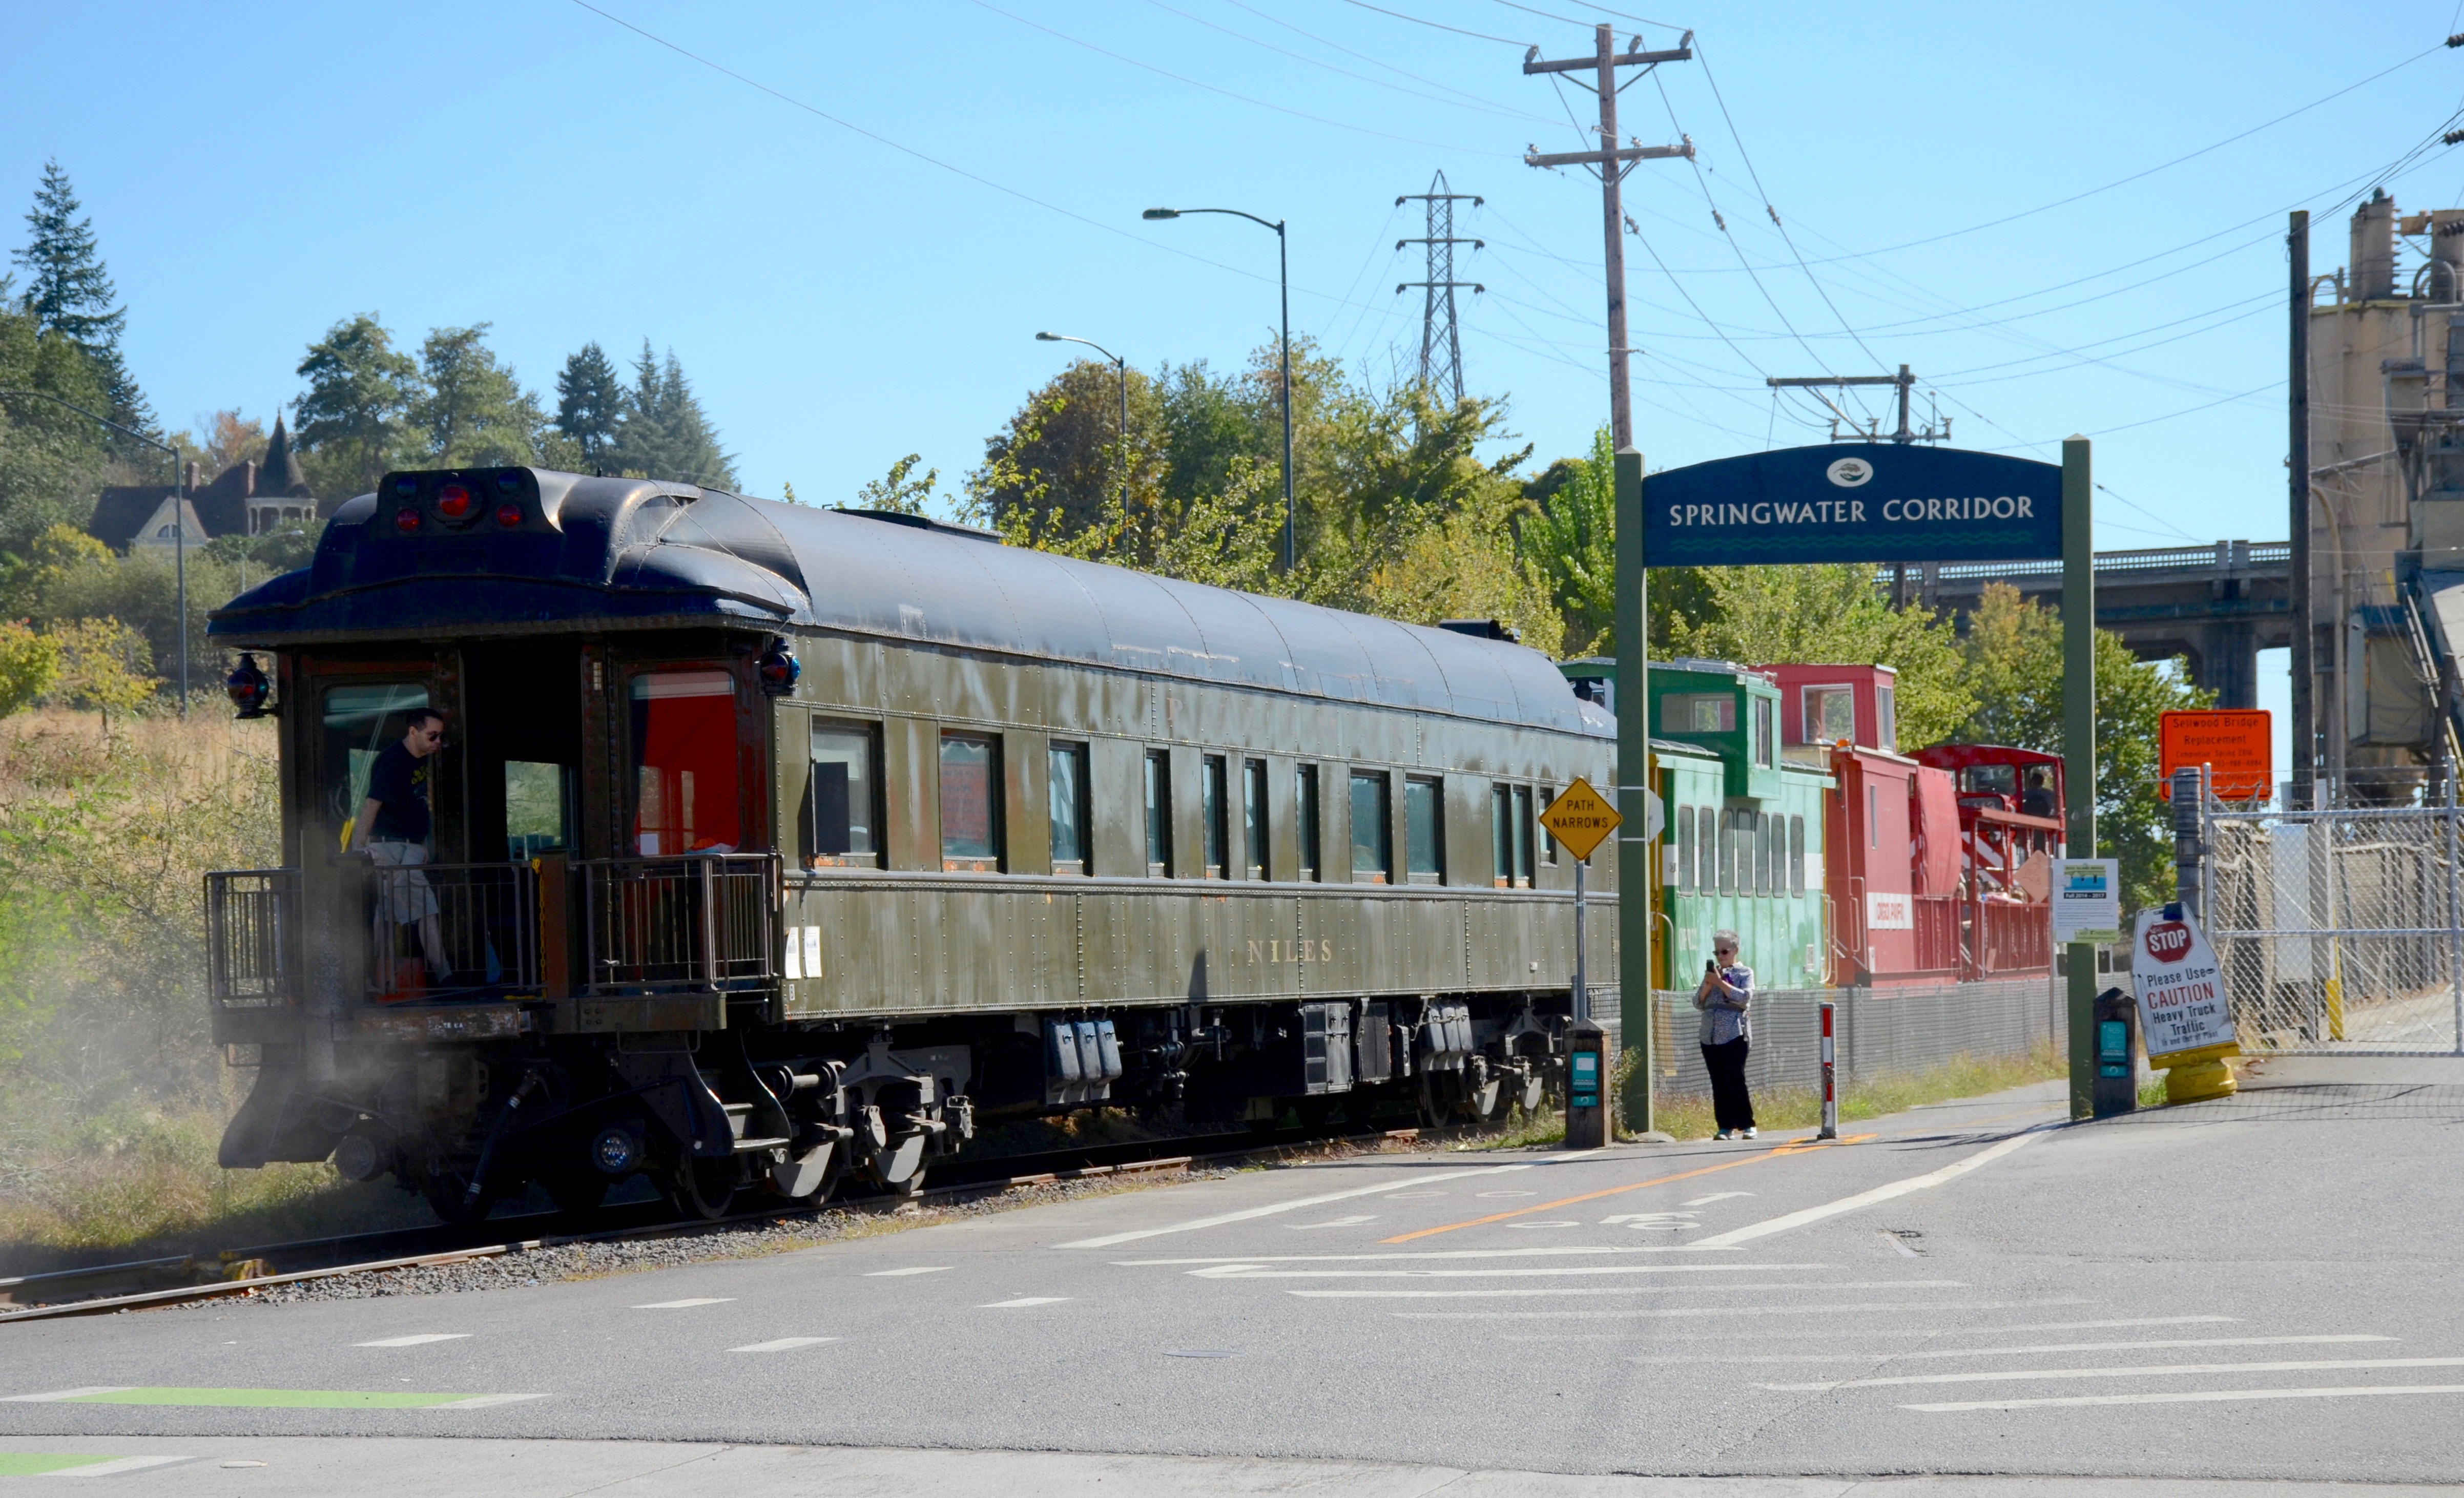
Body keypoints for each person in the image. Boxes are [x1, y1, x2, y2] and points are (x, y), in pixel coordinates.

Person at [350, 708, 449, 982]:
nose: (438, 742)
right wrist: (359, 847)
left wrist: (422, 842)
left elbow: (419, 804)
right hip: (391, 848)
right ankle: (445, 975)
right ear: (413, 732)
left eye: (441, 736)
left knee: (387, 913)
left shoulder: (421, 760)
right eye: (433, 736)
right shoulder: (393, 760)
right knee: (426, 908)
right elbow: (372, 803)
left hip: (410, 847)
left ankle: (377, 977)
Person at [1693, 929, 1756, 1140]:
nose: (1721, 956)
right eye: (1717, 952)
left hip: (1733, 1033)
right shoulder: (1712, 975)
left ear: (1735, 950)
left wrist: (1721, 983)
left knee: (1735, 1078)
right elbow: (1697, 1003)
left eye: (1725, 951)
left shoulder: (1744, 973)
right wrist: (1709, 984)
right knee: (1718, 1081)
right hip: (1709, 1035)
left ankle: (1747, 1124)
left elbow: (1744, 998)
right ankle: (1725, 1126)